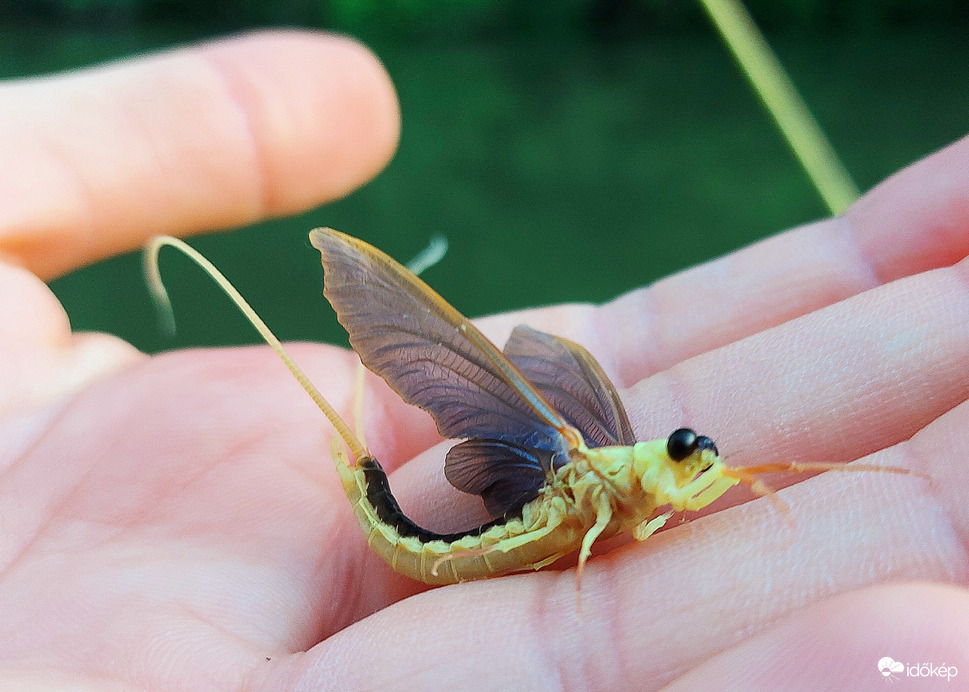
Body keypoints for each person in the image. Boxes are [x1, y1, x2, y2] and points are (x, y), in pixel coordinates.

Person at [0, 30, 965, 690]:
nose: (697, 477)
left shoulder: (641, 475)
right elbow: (595, 538)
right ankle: (362, 470)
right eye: (687, 457)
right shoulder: (597, 466)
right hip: (430, 546)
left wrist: (808, 478)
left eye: (692, 465)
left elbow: (720, 485)